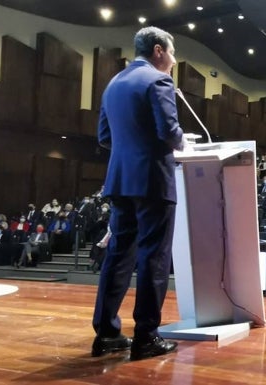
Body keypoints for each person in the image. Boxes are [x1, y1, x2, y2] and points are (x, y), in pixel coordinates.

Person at [92, 26, 184, 361]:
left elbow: (104, 136)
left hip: (120, 180)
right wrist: (183, 142)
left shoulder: (113, 84)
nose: (173, 62)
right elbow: (169, 132)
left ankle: (106, 333)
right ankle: (146, 336)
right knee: (153, 256)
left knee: (119, 254)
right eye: (172, 54)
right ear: (159, 50)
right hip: (153, 181)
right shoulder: (158, 81)